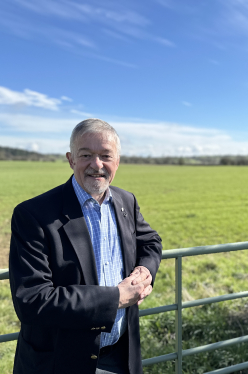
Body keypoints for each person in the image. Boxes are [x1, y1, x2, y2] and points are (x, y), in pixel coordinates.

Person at [9, 119, 162, 374]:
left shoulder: (126, 201)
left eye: (105, 155)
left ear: (117, 161)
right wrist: (117, 297)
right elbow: (32, 300)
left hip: (121, 357)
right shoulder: (33, 214)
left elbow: (150, 241)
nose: (97, 164)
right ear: (71, 159)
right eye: (86, 155)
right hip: (61, 363)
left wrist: (145, 271)